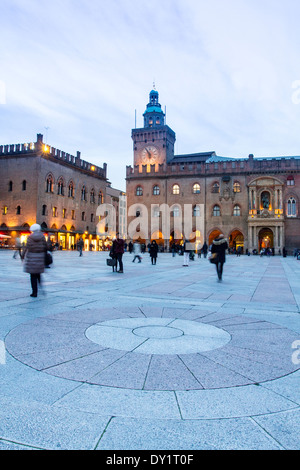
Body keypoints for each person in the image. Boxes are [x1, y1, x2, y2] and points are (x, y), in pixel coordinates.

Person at [22, 224, 47, 297]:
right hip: (40, 257)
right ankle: (41, 288)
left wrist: (23, 256)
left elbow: (27, 247)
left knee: (32, 275)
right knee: (38, 274)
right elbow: (45, 247)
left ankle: (34, 292)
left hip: (31, 257)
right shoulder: (42, 236)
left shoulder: (29, 237)